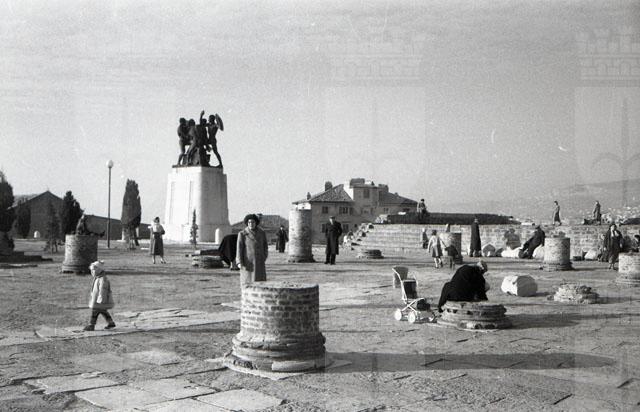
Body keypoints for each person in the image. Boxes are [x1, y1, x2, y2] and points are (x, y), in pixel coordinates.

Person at [236, 214, 268, 286]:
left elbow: (265, 246)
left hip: (259, 262)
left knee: (260, 283)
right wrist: (239, 262)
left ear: (256, 223)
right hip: (248, 262)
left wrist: (264, 256)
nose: (251, 224)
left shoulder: (262, 233)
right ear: (247, 223)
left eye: (253, 222)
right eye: (249, 222)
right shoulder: (242, 234)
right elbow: (239, 248)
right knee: (248, 282)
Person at [83, 261, 115, 331]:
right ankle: (111, 322)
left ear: (99, 270)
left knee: (95, 311)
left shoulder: (102, 279)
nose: (92, 272)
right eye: (91, 271)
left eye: (93, 270)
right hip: (97, 299)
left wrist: (101, 299)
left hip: (99, 300)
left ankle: (91, 325)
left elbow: (103, 290)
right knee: (103, 311)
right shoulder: (98, 278)